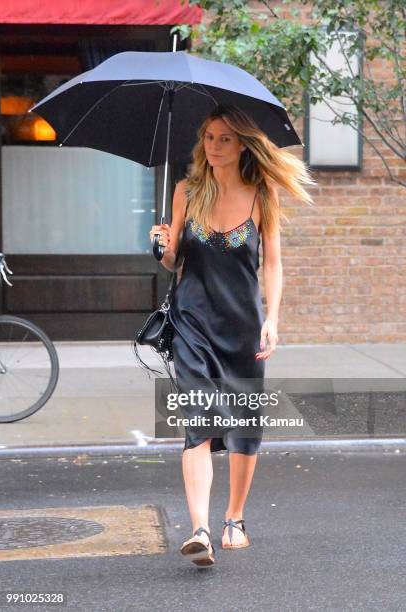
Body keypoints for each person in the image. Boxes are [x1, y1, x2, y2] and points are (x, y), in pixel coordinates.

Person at [149, 104, 316, 567]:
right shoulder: (187, 191)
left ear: (242, 144)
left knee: (243, 425)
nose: (215, 146)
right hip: (192, 323)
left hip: (243, 325)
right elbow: (174, 261)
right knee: (196, 422)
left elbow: (274, 263)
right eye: (209, 137)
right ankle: (199, 529)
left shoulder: (263, 195)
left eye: (225, 138)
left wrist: (273, 318)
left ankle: (234, 518)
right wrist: (162, 247)